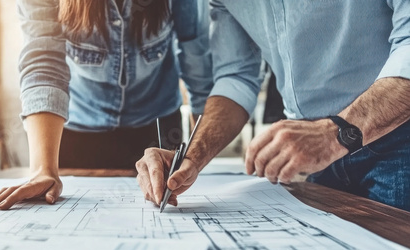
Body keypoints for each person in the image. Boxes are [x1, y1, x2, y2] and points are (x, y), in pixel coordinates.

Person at [136, 0, 410, 211]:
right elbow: (236, 77)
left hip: (398, 141)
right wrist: (191, 158)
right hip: (314, 159)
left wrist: (335, 134)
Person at [0, 0, 213, 210]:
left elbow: (196, 55)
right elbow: (44, 61)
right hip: (76, 131)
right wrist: (43, 170)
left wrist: (198, 154)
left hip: (158, 127)